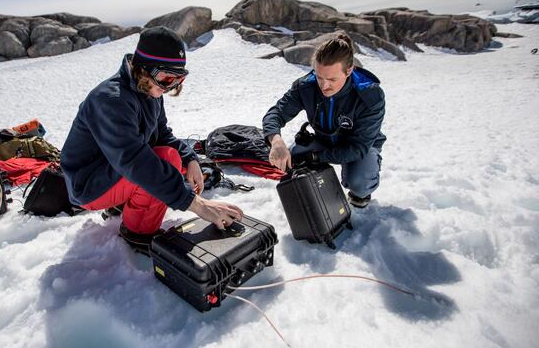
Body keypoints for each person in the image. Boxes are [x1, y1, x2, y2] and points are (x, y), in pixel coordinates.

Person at [61, 26, 243, 253]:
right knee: (166, 161)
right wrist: (197, 204)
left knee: (173, 156)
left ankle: (123, 204)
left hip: (113, 171)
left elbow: (162, 135)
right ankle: (138, 232)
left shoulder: (148, 88)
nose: (171, 87)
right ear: (143, 68)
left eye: (178, 79)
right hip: (88, 185)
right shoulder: (110, 100)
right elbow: (135, 161)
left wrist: (190, 159)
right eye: (167, 78)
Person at [262, 33, 386, 208]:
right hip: (324, 140)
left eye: (332, 79)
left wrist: (316, 157)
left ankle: (360, 193)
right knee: (294, 159)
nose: (324, 86)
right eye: (320, 77)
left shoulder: (369, 95)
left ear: (349, 70)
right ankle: (316, 198)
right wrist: (276, 140)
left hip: (359, 146)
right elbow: (276, 113)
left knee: (359, 180)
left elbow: (358, 148)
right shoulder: (306, 86)